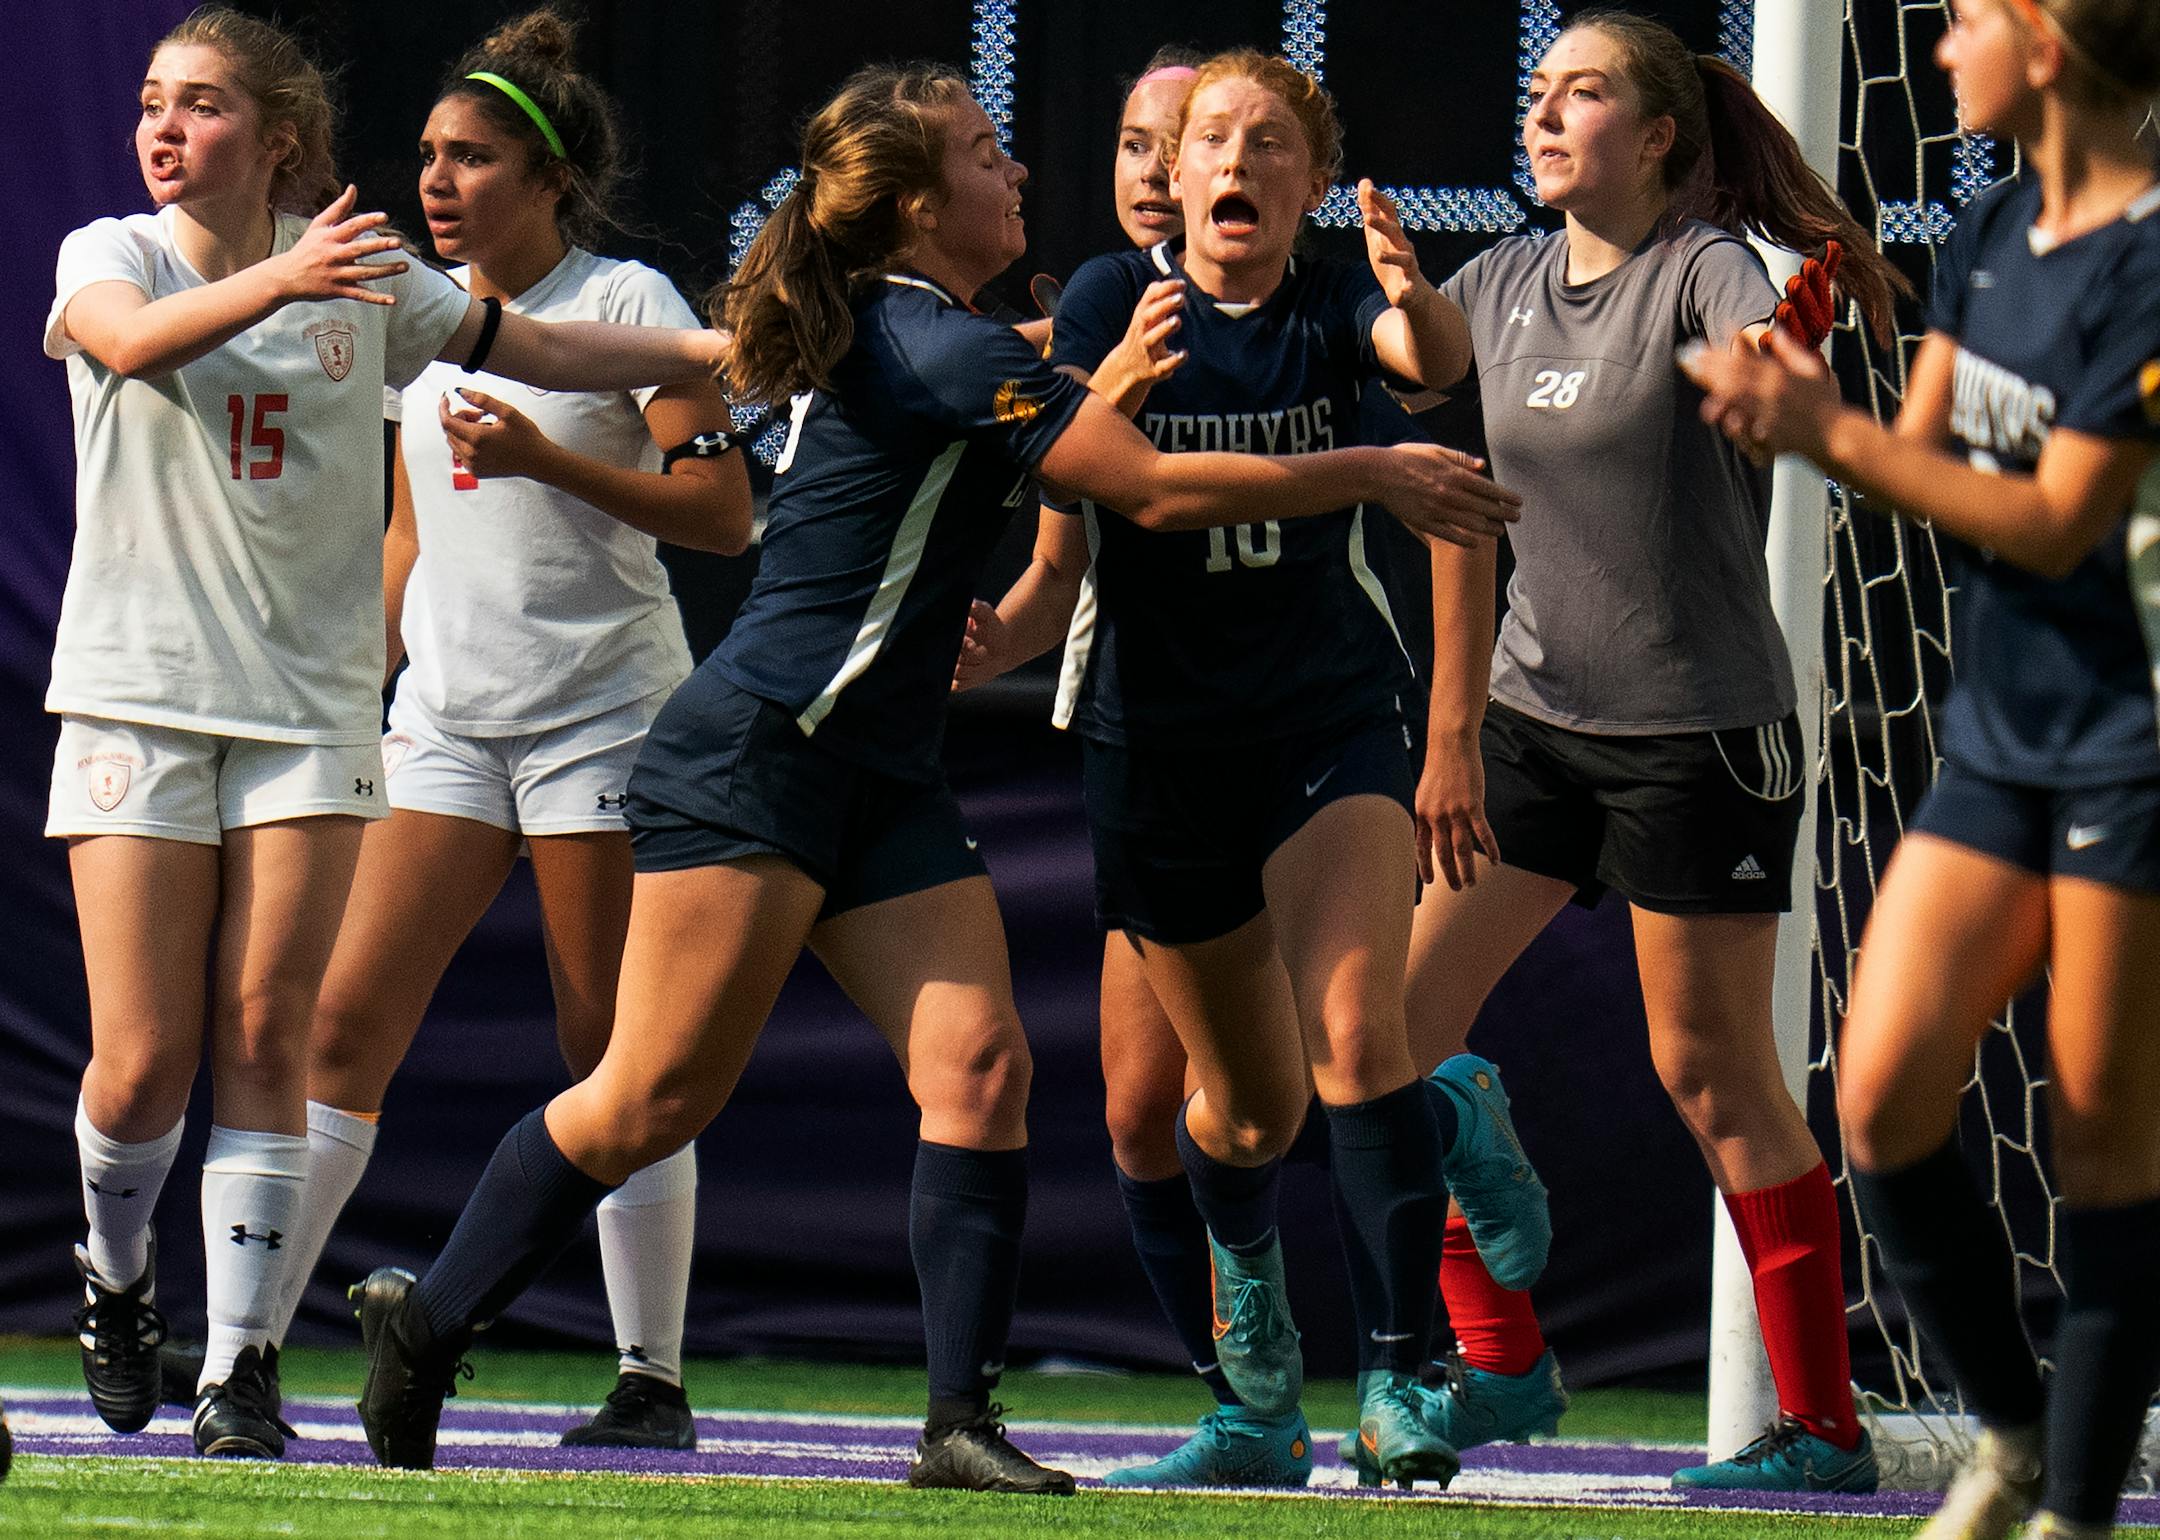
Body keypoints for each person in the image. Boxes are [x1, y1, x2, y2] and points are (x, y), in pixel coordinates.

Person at [345, 62, 1519, 1492]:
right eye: (984, 154)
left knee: (981, 1068)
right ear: (916, 209)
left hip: (883, 774)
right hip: (765, 753)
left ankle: (958, 1425)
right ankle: (432, 1322)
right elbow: (1140, 486)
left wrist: (1142, 369)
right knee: (647, 1096)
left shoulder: (947, 333)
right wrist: (1370, 474)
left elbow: (1067, 378)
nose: (1018, 172)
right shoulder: (937, 347)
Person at [49, 3, 722, 1461]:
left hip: (450, 709)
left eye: (203, 104)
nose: (164, 125)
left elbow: (560, 365)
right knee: (154, 1060)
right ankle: (126, 1283)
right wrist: (294, 274)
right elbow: (138, 346)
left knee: (316, 1029)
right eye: (153, 100)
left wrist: (754, 343)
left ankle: (249, 1369)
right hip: (222, 698)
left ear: (275, 140)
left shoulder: (412, 290)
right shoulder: (117, 254)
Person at [957, 49, 1552, 1490]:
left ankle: (1405, 1381)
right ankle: (1265, 1382)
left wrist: (1416, 311)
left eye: (1264, 142)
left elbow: (1426, 369)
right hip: (1159, 752)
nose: (1224, 162)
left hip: (1323, 728)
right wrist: (991, 633)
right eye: (1203, 139)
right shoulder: (1109, 306)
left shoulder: (1337, 299)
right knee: (1233, 1115)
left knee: (1357, 1037)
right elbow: (1085, 496)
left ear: (1305, 182)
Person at [1397, 7, 1910, 1491]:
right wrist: (1335, 285)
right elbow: (1407, 347)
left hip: (1701, 738)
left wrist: (1788, 346)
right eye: (1539, 91)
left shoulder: (1704, 270)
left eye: (1587, 94)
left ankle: (1819, 1429)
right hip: (1529, 731)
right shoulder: (1494, 279)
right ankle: (1498, 1362)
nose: (1546, 115)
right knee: (1383, 1046)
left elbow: (1761, 355)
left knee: (1715, 1075)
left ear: (1662, 135)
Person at [1684, 1, 2160, 1532]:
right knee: (1879, 1100)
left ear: (2050, 39)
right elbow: (1937, 476)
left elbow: (2054, 520)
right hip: (2003, 740)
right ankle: (2013, 1439)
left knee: (2100, 1134)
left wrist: (1821, 428)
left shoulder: (2151, 265)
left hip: (2137, 748)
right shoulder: (2001, 220)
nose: (1943, 44)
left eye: (1967, 19)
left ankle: (2079, 1508)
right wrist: (1798, 401)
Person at [257, 8, 748, 1451]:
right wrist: (365, 679)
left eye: (472, 156)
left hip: (606, 717)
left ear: (550, 180)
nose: (439, 177)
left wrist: (546, 455)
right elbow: (411, 531)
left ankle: (648, 1378)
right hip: (449, 725)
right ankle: (246, 1355)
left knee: (613, 1045)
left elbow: (724, 516)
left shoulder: (638, 300)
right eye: (427, 154)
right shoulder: (416, 315)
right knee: (341, 1021)